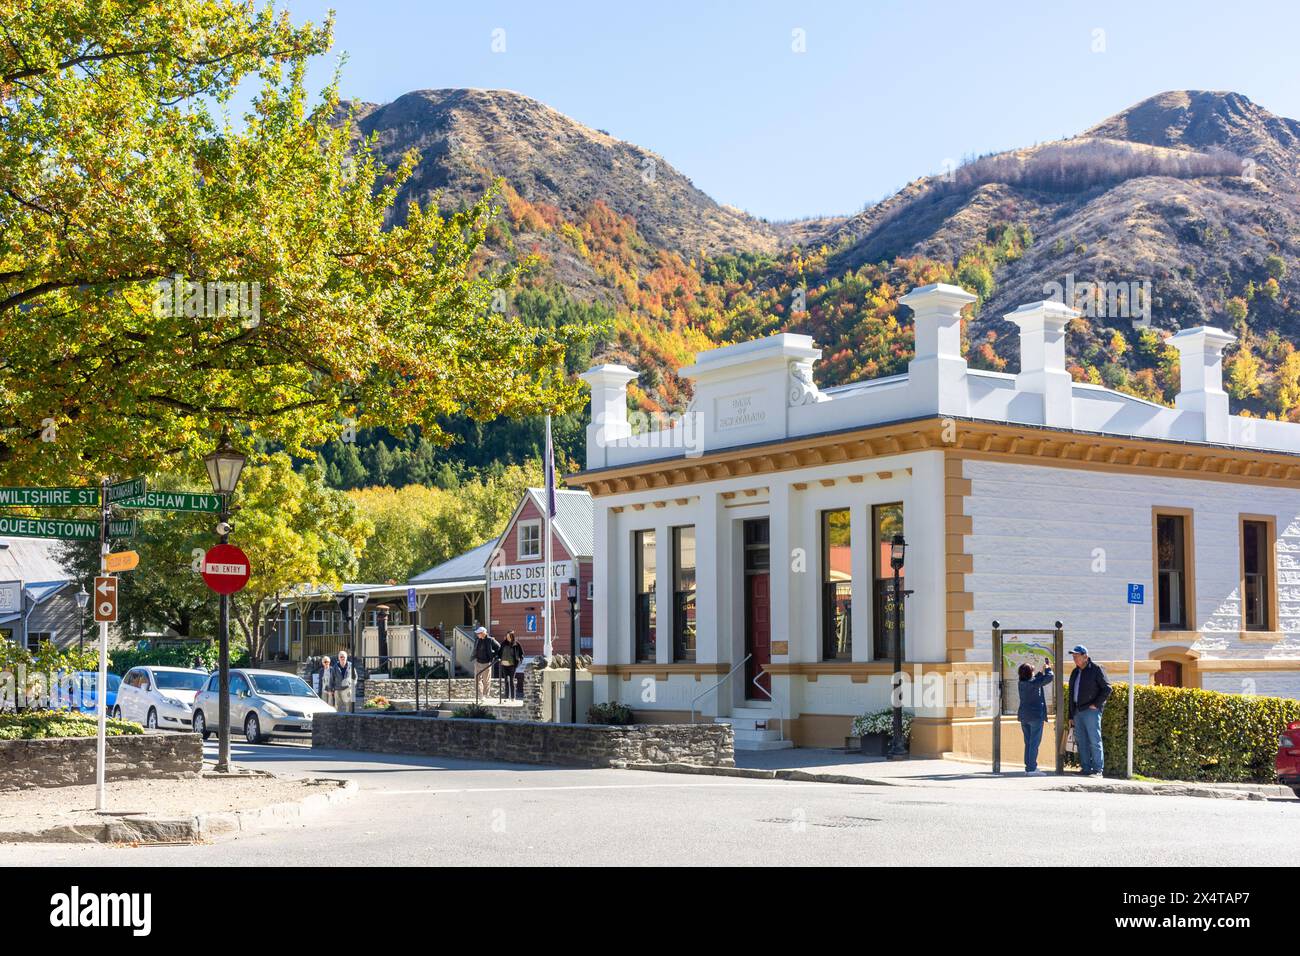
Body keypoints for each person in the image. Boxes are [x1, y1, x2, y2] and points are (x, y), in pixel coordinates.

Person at [1067, 644, 1111, 777]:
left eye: (1077, 656)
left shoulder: (1097, 669)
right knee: (1081, 741)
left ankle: (1098, 770)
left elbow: (1107, 688)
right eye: (1073, 656)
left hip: (1091, 711)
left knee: (1094, 740)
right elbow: (1071, 694)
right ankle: (1086, 769)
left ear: (1085, 656)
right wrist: (1070, 715)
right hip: (1077, 711)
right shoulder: (1075, 672)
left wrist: (1096, 704)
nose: (1074, 658)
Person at [1017, 657, 1053, 775]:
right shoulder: (1033, 683)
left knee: (1028, 742)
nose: (1033, 672)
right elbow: (1049, 678)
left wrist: (1040, 672)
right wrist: (1048, 669)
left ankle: (1029, 767)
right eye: (1032, 671)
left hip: (1024, 717)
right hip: (1035, 717)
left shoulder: (1021, 683)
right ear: (1029, 673)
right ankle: (1032, 768)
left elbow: (1035, 680)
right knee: (1034, 743)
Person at [472, 626, 499, 700]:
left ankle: (485, 695)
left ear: (483, 633)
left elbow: (498, 647)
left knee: (486, 680)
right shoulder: (477, 639)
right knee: (477, 679)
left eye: (478, 633)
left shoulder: (490, 640)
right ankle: (480, 695)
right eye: (477, 633)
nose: (477, 634)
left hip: (486, 663)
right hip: (478, 662)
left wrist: (494, 656)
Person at [497, 631, 524, 701]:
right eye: (507, 636)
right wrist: (498, 658)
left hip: (512, 665)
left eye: (509, 636)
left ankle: (512, 697)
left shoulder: (516, 644)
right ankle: (506, 697)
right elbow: (499, 653)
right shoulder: (503, 643)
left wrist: (519, 662)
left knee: (511, 681)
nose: (507, 637)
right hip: (504, 665)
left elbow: (521, 654)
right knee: (506, 681)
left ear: (512, 636)